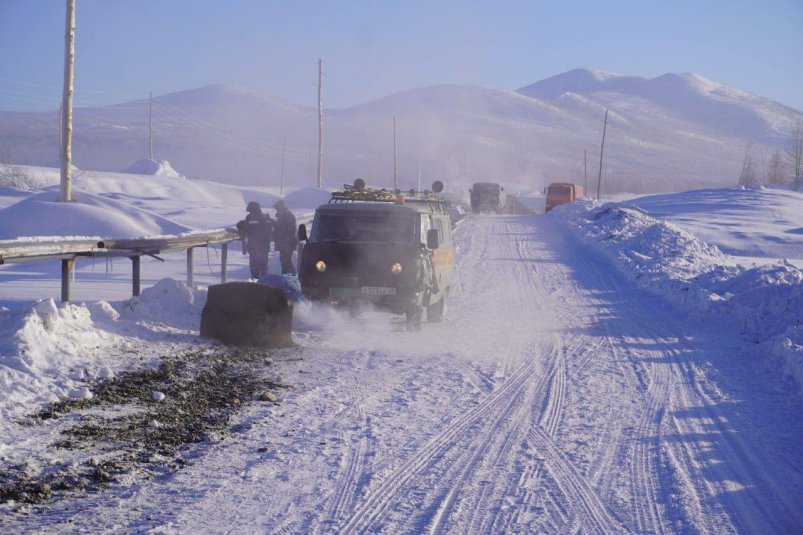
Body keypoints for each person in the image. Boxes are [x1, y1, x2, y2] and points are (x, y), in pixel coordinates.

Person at [237, 201, 273, 279]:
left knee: (255, 270)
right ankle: (265, 286)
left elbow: (242, 225)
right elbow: (274, 225)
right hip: (265, 248)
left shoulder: (250, 218)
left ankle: (256, 286)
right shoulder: (266, 218)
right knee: (264, 268)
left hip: (254, 248)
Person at [273, 199, 298, 275]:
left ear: (282, 208)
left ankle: (291, 278)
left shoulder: (289, 216)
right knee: (284, 262)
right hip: (283, 244)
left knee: (286, 262)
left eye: (278, 209)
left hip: (287, 244)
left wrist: (286, 243)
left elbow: (290, 231)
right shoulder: (283, 216)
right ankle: (287, 277)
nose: (277, 211)